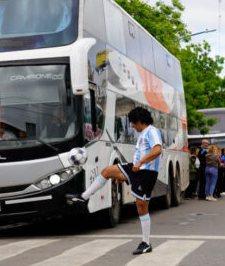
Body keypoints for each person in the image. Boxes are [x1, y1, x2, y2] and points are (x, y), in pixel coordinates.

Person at [67, 107, 162, 255]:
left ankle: (146, 243)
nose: (131, 126)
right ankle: (84, 197)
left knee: (141, 208)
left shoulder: (152, 131)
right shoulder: (144, 133)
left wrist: (140, 163)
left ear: (139, 121)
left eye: (132, 122)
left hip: (146, 173)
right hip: (137, 170)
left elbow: (157, 150)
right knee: (107, 171)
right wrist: (126, 174)